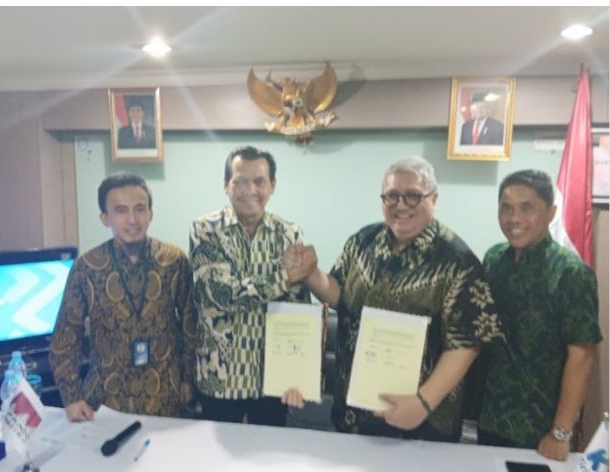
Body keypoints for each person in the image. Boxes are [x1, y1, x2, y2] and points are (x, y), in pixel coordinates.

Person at [284, 156, 505, 442]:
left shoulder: (457, 261)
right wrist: (311, 274)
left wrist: (423, 402)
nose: (401, 205)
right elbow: (340, 295)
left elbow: (467, 342)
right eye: (391, 196)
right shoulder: (363, 240)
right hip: (355, 411)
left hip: (420, 418)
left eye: (413, 196)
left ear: (434, 199)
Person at [49, 172, 196, 422]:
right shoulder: (87, 267)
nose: (132, 220)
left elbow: (190, 325)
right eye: (121, 211)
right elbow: (65, 336)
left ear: (151, 213)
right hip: (105, 399)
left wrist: (188, 378)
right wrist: (71, 397)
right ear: (105, 218)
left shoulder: (174, 261)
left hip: (166, 396)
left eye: (140, 209)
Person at [478, 170, 602, 460]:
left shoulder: (571, 273)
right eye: (506, 208)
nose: (514, 218)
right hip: (489, 417)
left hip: (540, 430)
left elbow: (582, 356)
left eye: (527, 208)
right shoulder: (494, 259)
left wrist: (560, 432)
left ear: (551, 213)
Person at [189, 145, 311, 426]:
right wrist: (284, 277)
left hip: (273, 380)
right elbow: (221, 294)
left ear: (273, 185)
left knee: (269, 451)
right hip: (220, 378)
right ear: (226, 185)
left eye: (259, 181)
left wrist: (299, 374)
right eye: (240, 181)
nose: (250, 190)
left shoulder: (289, 233)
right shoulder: (205, 229)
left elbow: (299, 306)